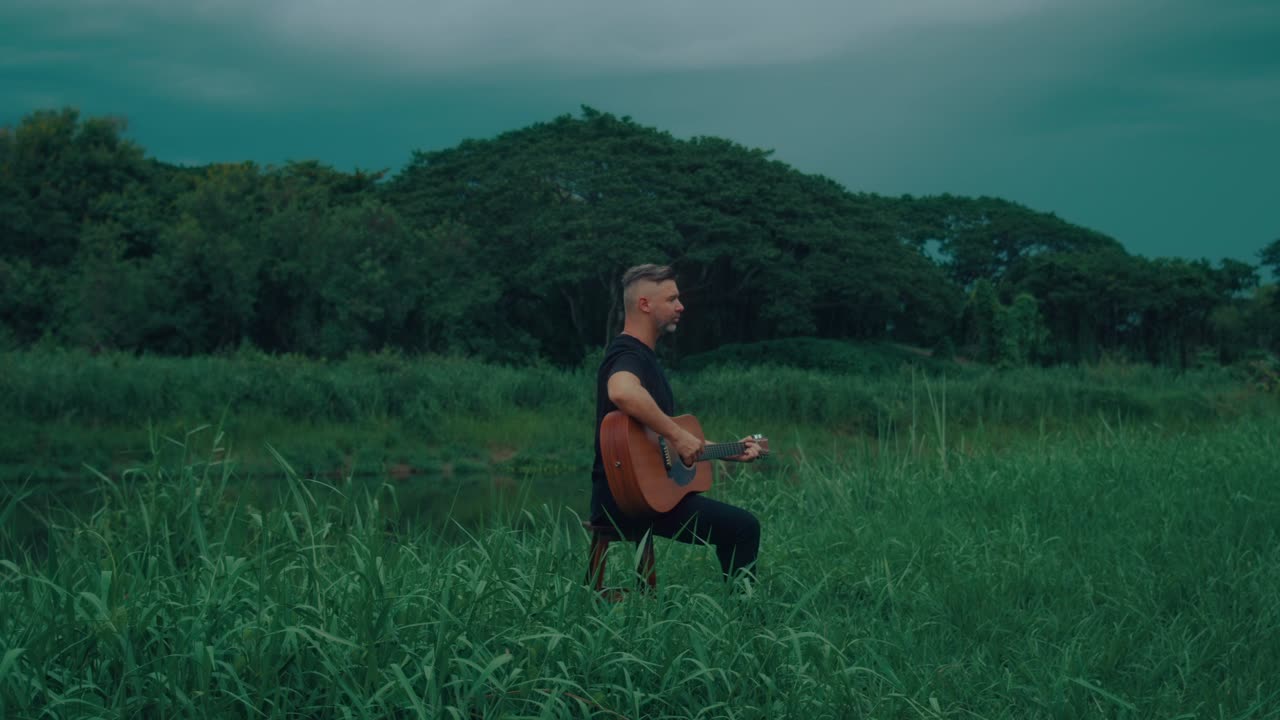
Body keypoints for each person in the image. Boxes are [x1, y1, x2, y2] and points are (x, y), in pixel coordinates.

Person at [590, 263, 763, 582]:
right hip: (627, 502)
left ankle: (737, 608)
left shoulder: (645, 357)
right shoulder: (627, 352)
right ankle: (743, 611)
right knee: (744, 528)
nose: (681, 306)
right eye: (672, 299)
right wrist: (678, 434)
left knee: (737, 526)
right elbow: (622, 391)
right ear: (645, 304)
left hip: (639, 498)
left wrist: (731, 451)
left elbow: (663, 442)